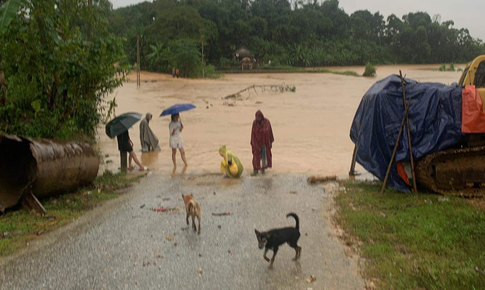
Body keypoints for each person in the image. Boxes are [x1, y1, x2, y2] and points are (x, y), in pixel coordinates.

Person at [251, 110, 274, 175]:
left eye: (259, 117)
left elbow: (269, 132)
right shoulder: (255, 123)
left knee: (264, 156)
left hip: (265, 143)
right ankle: (255, 170)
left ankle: (263, 170)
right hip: (256, 142)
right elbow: (253, 134)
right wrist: (254, 143)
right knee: (256, 156)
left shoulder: (267, 122)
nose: (257, 119)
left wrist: (269, 142)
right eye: (256, 117)